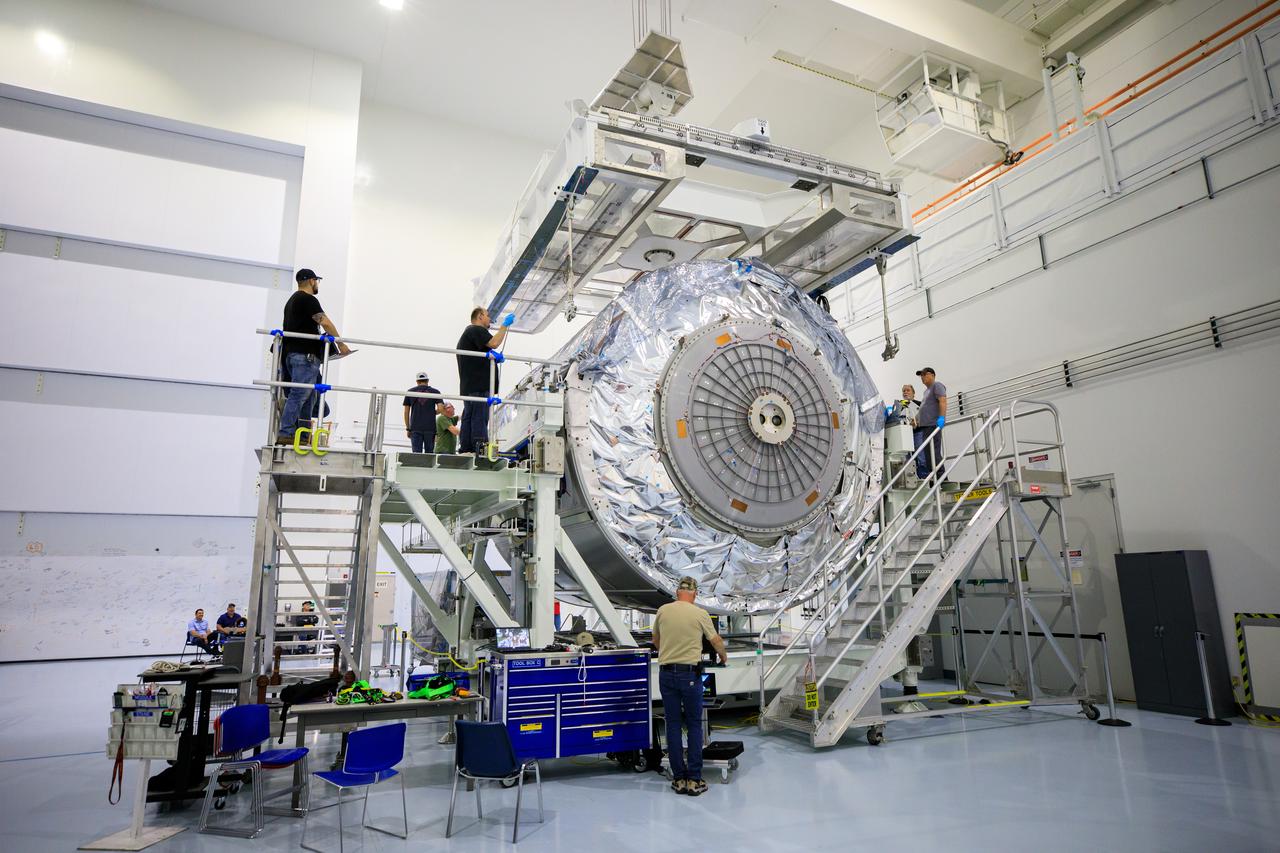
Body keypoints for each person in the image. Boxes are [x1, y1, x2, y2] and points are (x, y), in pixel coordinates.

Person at [651, 576, 728, 797]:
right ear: (694, 594)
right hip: (690, 675)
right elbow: (715, 641)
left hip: (666, 674)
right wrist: (723, 656)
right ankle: (694, 779)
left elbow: (656, 640)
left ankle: (679, 779)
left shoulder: (663, 611)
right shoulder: (700, 613)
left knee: (673, 725)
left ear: (677, 592)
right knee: (694, 725)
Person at [277, 268, 350, 445]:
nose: (317, 284)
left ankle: (303, 435)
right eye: (316, 281)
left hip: (293, 355)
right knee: (300, 394)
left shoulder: (292, 301)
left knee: (309, 397)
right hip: (304, 356)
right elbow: (323, 321)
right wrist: (340, 343)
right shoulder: (307, 299)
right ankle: (286, 432)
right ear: (311, 281)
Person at [456, 307, 515, 454]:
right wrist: (505, 325)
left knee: (469, 417)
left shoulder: (468, 334)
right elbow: (494, 343)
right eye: (488, 316)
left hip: (469, 385)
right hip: (478, 385)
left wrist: (491, 357)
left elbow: (484, 350)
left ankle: (467, 448)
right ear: (480, 316)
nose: (490, 320)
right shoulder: (475, 330)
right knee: (479, 417)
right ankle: (480, 448)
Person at [914, 367, 948, 481]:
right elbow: (924, 409)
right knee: (928, 454)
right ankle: (935, 476)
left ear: (932, 375)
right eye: (921, 375)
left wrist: (942, 417)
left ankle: (942, 478)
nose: (922, 377)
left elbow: (942, 400)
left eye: (925, 374)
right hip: (925, 427)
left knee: (934, 452)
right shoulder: (926, 392)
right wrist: (916, 420)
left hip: (933, 425)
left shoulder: (936, 386)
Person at [404, 372, 442, 453]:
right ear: (427, 380)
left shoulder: (410, 392)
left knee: (416, 454)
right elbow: (441, 408)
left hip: (415, 427)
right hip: (430, 428)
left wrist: (408, 428)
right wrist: (433, 412)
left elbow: (406, 412)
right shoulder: (435, 392)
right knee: (429, 455)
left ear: (417, 381)